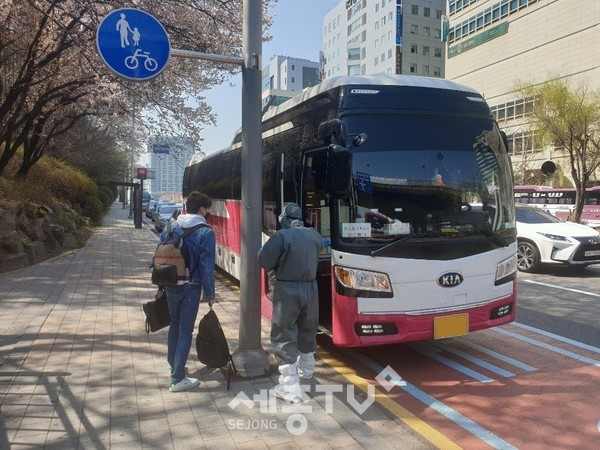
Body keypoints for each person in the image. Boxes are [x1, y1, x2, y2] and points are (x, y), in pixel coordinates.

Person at [258, 203, 323, 403]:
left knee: (284, 333)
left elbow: (263, 260)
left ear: (285, 218)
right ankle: (308, 370)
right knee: (308, 327)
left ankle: (289, 386)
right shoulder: (314, 235)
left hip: (287, 290)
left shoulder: (281, 237)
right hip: (311, 289)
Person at [159, 192, 216, 392]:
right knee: (185, 331)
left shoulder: (172, 226)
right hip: (191, 287)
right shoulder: (206, 232)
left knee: (174, 325)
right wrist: (211, 294)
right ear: (202, 209)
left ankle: (174, 365)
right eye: (208, 208)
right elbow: (206, 267)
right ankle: (177, 379)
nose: (210, 212)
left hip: (170, 284)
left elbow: (160, 251)